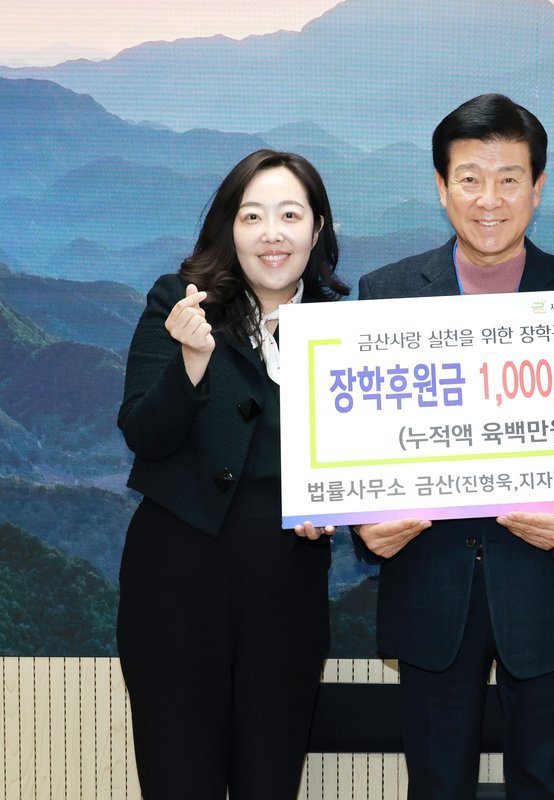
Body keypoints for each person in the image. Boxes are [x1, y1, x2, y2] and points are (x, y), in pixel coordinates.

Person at [353, 93, 554, 800]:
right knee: (436, 787)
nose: (490, 199)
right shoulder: (384, 295)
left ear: (538, 187)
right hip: (428, 591)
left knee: (550, 786)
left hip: (547, 591)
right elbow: (361, 442)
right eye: (470, 178)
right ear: (442, 188)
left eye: (509, 178)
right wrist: (363, 523)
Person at [117, 150, 349, 798]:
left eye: (289, 215)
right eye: (252, 216)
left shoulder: (343, 328)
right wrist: (191, 360)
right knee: (178, 777)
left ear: (317, 228)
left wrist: (337, 508)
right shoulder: (179, 303)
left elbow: (363, 461)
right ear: (229, 226)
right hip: (175, 580)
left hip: (286, 586)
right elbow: (144, 433)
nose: (272, 234)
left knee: (269, 778)